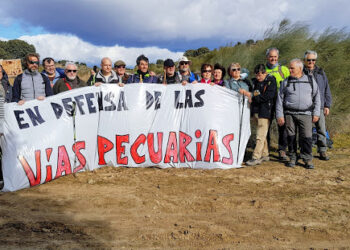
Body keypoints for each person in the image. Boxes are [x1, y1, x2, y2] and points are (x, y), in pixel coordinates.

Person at [276, 59, 320, 169]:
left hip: (306, 114)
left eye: (292, 68)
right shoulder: (286, 82)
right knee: (291, 137)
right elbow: (279, 100)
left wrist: (316, 113)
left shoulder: (310, 80)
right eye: (289, 68)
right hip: (290, 114)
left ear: (300, 69)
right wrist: (280, 115)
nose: (289, 70)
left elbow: (317, 97)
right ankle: (293, 157)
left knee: (307, 137)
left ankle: (307, 159)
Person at [303, 50, 332, 161]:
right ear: (304, 60)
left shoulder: (321, 72)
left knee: (321, 129)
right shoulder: (301, 72)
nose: (311, 62)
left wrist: (327, 105)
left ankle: (322, 151)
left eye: (313, 60)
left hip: (319, 106)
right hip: (305, 106)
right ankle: (307, 150)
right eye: (308, 60)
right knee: (306, 130)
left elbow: (326, 89)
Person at [246, 64, 277, 166]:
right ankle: (265, 154)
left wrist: (256, 96)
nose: (258, 77)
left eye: (260, 75)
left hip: (265, 111)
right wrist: (257, 95)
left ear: (265, 73)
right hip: (255, 111)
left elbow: (268, 96)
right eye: (256, 75)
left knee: (260, 135)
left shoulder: (271, 81)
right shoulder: (254, 81)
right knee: (261, 134)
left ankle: (256, 157)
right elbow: (255, 93)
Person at [265, 47, 291, 161]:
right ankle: (265, 150)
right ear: (267, 57)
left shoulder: (284, 69)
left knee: (282, 125)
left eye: (275, 56)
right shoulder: (263, 69)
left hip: (281, 100)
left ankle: (282, 150)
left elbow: (290, 84)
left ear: (278, 57)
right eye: (271, 56)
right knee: (266, 125)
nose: (273, 58)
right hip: (267, 101)